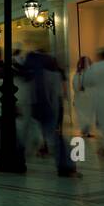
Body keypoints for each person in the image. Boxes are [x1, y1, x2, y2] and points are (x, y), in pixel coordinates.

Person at [23, 48, 78, 177]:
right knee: (55, 137)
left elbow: (35, 93)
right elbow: (58, 94)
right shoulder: (54, 73)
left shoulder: (34, 72)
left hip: (39, 108)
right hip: (49, 109)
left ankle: (65, 164)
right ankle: (66, 164)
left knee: (39, 136)